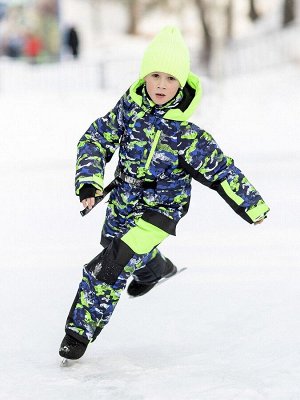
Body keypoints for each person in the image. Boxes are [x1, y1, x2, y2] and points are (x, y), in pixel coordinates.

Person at [59, 26, 270, 361]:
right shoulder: (128, 109)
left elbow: (222, 171)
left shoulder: (186, 135)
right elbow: (95, 139)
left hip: (161, 211)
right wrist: (89, 181)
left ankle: (77, 335)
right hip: (123, 201)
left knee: (110, 265)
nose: (160, 84)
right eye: (154, 75)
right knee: (115, 248)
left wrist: (252, 205)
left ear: (182, 83)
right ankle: (154, 269)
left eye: (170, 78)